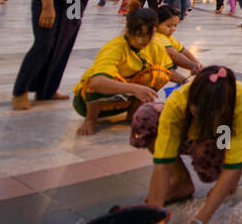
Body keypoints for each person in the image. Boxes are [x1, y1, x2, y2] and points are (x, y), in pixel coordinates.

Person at [133, 65, 242, 224]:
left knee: (215, 170)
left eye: (210, 115)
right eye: (198, 113)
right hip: (202, 131)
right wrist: (156, 216)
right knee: (146, 117)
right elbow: (162, 163)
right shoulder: (178, 102)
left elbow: (230, 165)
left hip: (227, 130)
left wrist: (199, 222)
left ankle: (236, 168)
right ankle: (181, 182)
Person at [73, 7, 181, 135]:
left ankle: (133, 114)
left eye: (149, 35)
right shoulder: (115, 47)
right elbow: (97, 82)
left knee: (159, 74)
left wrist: (187, 81)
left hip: (124, 100)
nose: (143, 40)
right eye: (139, 35)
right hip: (89, 102)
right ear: (128, 32)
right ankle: (90, 120)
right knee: (95, 83)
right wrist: (134, 88)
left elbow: (169, 71)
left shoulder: (156, 46)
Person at [154, 4, 203, 76]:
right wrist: (194, 66)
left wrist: (199, 65)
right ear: (156, 24)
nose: (173, 29)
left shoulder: (168, 37)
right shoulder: (157, 37)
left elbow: (184, 51)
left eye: (175, 25)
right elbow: (173, 55)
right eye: (169, 26)